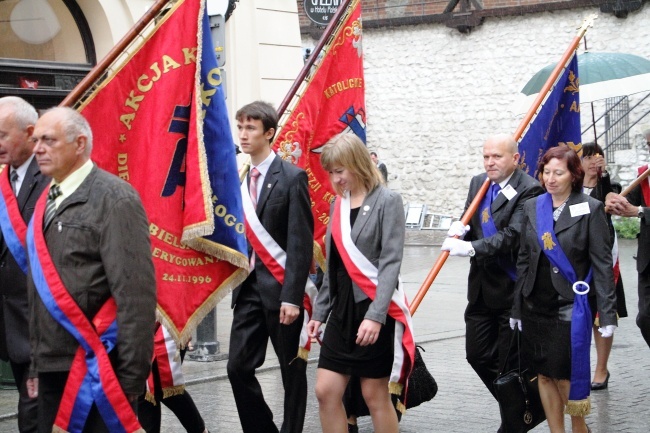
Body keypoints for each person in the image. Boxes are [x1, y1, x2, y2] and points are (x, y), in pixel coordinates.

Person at [25, 107, 157, 432]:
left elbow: (135, 296)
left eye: (48, 140)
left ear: (79, 143)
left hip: (99, 374)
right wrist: (34, 365)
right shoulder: (45, 198)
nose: (37, 149)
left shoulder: (115, 199)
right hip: (52, 368)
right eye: (35, 140)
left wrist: (129, 381)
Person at [307, 133, 411, 433]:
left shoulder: (387, 201)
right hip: (342, 312)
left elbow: (391, 263)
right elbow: (334, 266)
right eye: (331, 172)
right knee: (325, 391)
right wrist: (319, 312)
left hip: (371, 309)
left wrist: (376, 317)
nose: (335, 179)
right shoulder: (338, 205)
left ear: (357, 164)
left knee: (374, 394)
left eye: (340, 171)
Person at [440, 134, 543, 433]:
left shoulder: (529, 188)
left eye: (497, 157)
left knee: (508, 365)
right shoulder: (479, 182)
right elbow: (472, 219)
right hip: (482, 288)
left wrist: (471, 248)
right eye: (486, 156)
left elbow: (514, 235)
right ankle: (527, 406)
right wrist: (460, 229)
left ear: (515, 158)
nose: (490, 162)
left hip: (512, 290)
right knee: (477, 354)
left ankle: (514, 422)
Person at [511, 146, 617, 433]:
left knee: (565, 375)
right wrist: (517, 306)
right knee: (543, 374)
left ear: (574, 174)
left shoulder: (590, 208)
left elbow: (603, 265)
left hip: (569, 306)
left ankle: (579, 428)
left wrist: (607, 315)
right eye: (546, 172)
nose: (551, 179)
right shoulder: (533, 206)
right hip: (535, 304)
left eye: (559, 172)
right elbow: (524, 258)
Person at [227, 101, 313, 433]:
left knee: (292, 372)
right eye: (240, 127)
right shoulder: (238, 178)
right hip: (247, 289)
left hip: (281, 292)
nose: (243, 135)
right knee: (237, 368)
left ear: (269, 133)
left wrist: (293, 297)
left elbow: (300, 243)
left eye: (250, 128)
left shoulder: (292, 178)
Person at [0, 96, 46, 433]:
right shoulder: (4, 181)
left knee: (33, 419)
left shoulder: (50, 179)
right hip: (8, 326)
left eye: (2, 135)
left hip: (41, 327)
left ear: (30, 133)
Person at [580, 143, 627, 389]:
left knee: (602, 316)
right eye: (587, 157)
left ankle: (601, 369)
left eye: (597, 157)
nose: (591, 162)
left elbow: (611, 194)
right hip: (575, 261)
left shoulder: (607, 186)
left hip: (603, 258)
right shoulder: (572, 187)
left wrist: (604, 176)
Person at [606, 128, 650, 348]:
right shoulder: (645, 174)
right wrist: (612, 197)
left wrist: (640, 211)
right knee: (645, 319)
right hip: (648, 261)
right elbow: (628, 202)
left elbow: (638, 209)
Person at [138, 324, 209, 433]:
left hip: (167, 323)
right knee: (145, 389)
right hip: (138, 324)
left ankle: (200, 430)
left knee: (166, 386)